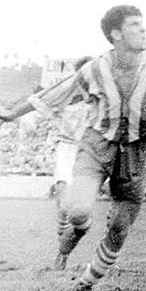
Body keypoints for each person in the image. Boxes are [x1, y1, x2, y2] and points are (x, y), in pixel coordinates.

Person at [0, 5, 146, 291]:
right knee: (79, 210)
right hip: (97, 145)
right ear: (116, 34)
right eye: (135, 25)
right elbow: (50, 96)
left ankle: (85, 285)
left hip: (137, 151)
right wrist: (11, 114)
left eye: (143, 24)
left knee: (119, 227)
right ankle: (80, 227)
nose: (143, 30)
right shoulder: (95, 69)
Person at [45, 56, 93, 239]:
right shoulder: (65, 93)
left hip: (88, 151)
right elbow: (44, 105)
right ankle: (61, 238)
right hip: (67, 147)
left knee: (79, 209)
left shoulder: (100, 95)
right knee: (63, 200)